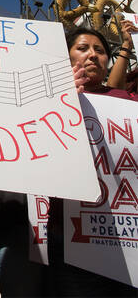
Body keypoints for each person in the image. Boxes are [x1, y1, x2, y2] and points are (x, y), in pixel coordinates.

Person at [47, 27, 138, 297]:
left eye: (100, 51)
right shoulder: (51, 99)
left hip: (128, 239)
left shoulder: (128, 101)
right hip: (70, 236)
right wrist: (62, 104)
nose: (92, 55)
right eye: (83, 48)